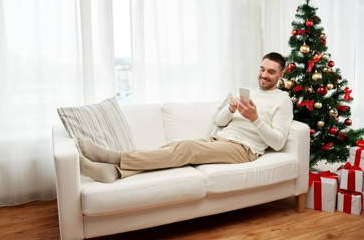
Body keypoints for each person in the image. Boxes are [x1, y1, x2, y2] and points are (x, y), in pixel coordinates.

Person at [79, 52, 293, 183]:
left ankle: (114, 157)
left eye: (271, 72)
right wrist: (230, 108)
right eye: (262, 69)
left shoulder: (282, 100)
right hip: (220, 139)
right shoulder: (249, 92)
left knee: (186, 150)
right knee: (174, 148)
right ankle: (114, 173)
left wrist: (255, 118)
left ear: (281, 75)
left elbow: (277, 142)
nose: (264, 75)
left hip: (245, 150)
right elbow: (219, 122)